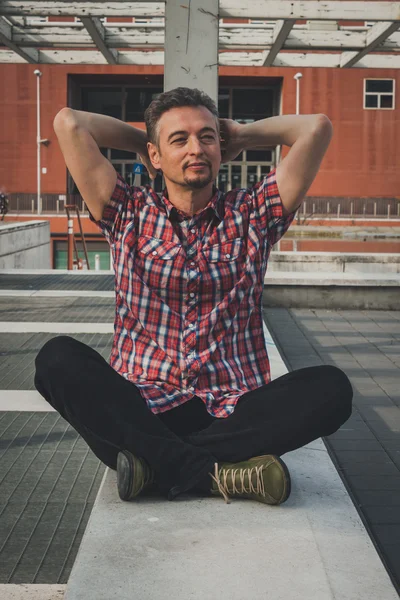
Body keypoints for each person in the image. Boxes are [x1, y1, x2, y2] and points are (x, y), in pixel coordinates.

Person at [34, 87, 353, 506]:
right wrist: (151, 141)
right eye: (179, 140)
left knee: (332, 389)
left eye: (206, 137)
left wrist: (238, 135)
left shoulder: (254, 213)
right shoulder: (127, 211)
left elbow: (316, 128)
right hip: (145, 404)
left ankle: (157, 465)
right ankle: (214, 474)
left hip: (233, 408)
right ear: (154, 155)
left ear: (220, 147)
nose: (196, 149)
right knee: (56, 360)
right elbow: (68, 123)